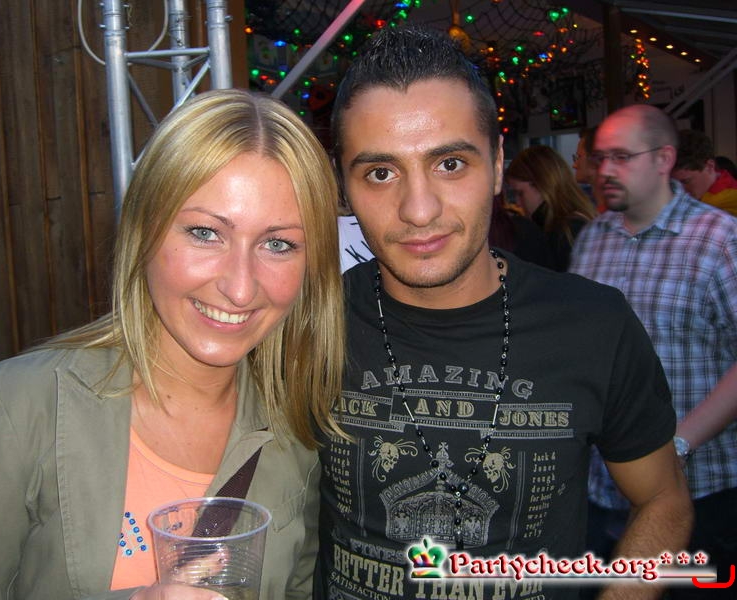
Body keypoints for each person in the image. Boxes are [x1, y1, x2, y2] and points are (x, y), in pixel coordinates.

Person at [316, 26, 691, 600]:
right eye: (380, 173)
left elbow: (663, 499)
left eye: (449, 164)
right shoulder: (307, 322)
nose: (419, 210)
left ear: (496, 165)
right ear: (344, 184)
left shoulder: (595, 325)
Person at [0, 89, 345, 599]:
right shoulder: (18, 407)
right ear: (143, 230)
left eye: (277, 243)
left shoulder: (296, 440)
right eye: (205, 233)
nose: (241, 287)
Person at [570, 104, 737, 598]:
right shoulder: (593, 239)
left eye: (621, 157)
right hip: (602, 488)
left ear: (664, 159)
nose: (605, 170)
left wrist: (679, 444)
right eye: (600, 157)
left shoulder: (719, 240)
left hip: (702, 492)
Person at [505, 145, 596, 271]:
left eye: (520, 193)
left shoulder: (564, 231)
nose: (518, 203)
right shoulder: (577, 222)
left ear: (542, 185)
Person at [672, 129, 737, 216]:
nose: (679, 189)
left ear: (710, 166)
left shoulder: (733, 201)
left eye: (685, 181)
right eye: (672, 183)